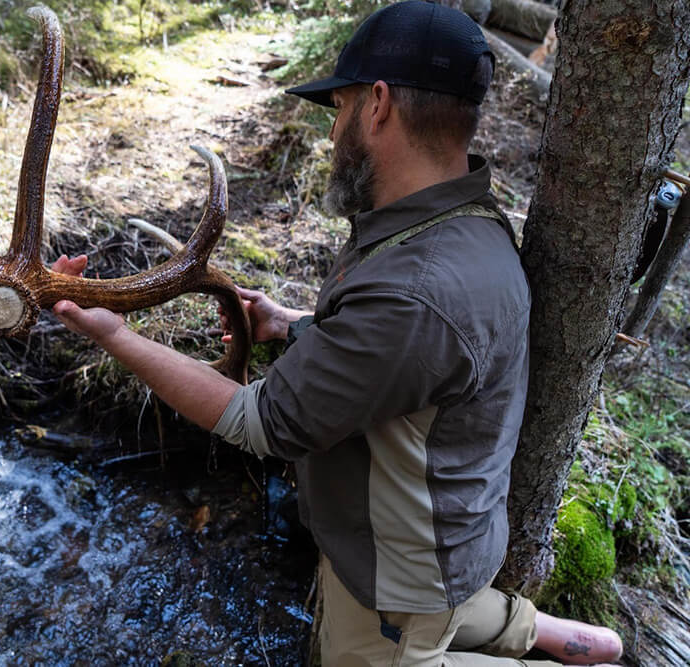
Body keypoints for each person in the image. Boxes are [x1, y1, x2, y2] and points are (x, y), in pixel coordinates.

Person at [51, 2, 624, 665]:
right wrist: (290, 325)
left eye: (341, 107)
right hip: (445, 536)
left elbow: (256, 419)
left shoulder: (415, 288)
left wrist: (113, 332)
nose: (333, 134)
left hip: (398, 577)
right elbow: (409, 358)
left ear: (377, 105)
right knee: (437, 612)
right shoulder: (457, 222)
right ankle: (557, 635)